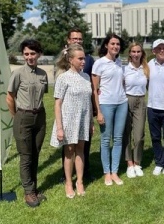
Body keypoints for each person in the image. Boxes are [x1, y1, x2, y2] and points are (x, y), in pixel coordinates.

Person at [6, 39, 48, 208]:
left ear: (39, 54)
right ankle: (28, 192)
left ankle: (34, 188)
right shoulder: (17, 73)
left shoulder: (43, 74)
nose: (30, 57)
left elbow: (42, 95)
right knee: (26, 156)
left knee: (36, 153)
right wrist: (16, 116)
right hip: (23, 117)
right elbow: (10, 97)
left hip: (40, 117)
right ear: (23, 55)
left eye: (33, 53)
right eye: (26, 54)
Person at [50, 44, 92, 198]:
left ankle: (79, 181)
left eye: (84, 58)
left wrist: (91, 123)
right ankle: (68, 182)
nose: (83, 61)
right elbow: (57, 103)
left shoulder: (86, 77)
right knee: (69, 152)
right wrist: (60, 128)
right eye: (80, 58)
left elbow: (88, 102)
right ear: (70, 59)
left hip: (82, 120)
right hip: (68, 120)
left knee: (80, 150)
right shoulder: (63, 78)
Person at [58, 28, 95, 184]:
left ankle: (82, 175)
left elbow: (92, 87)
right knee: (68, 148)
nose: (78, 41)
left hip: (84, 110)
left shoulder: (89, 62)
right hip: (69, 111)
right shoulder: (62, 63)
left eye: (80, 39)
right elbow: (58, 96)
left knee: (82, 146)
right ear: (68, 40)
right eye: (75, 39)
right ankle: (66, 176)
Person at [92, 34, 128, 186]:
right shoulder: (99, 63)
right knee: (106, 140)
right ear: (106, 45)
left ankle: (115, 171)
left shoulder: (120, 62)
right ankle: (106, 172)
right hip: (106, 104)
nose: (115, 46)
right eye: (112, 43)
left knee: (118, 139)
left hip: (122, 103)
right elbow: (94, 90)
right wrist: (98, 111)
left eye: (118, 44)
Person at [147, 39, 164, 176]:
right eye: (158, 48)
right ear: (154, 51)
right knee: (155, 137)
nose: (161, 50)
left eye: (163, 47)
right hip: (152, 107)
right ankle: (159, 162)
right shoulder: (149, 64)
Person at [123, 43, 149, 178]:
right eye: (133, 51)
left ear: (141, 53)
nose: (136, 54)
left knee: (139, 135)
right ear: (130, 54)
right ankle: (129, 164)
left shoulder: (146, 69)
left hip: (141, 101)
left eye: (138, 51)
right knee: (126, 132)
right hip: (127, 100)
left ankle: (137, 162)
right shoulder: (124, 69)